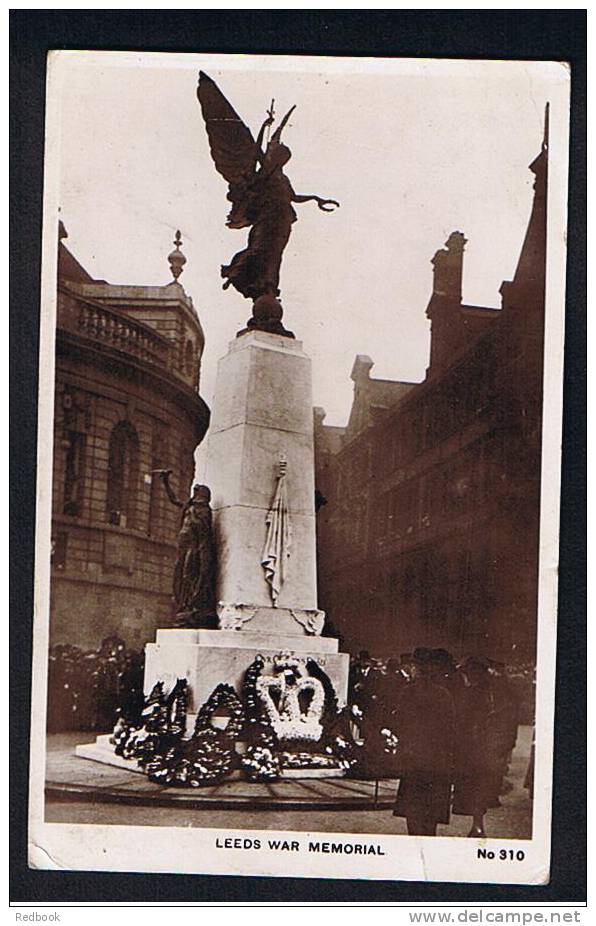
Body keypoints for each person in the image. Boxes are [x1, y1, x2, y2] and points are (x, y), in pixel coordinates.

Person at [393, 648, 455, 836]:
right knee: (431, 818)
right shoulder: (444, 694)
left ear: (417, 668)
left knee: (414, 814)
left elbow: (399, 724)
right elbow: (450, 729)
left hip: (414, 759)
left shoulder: (408, 692)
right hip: (437, 761)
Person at [158, 471, 217, 629]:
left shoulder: (204, 511)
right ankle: (184, 605)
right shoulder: (189, 507)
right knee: (180, 574)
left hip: (193, 547)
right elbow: (174, 500)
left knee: (188, 574)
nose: (194, 493)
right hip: (183, 545)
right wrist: (165, 482)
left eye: (197, 491)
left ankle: (190, 605)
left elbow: (204, 535)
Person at [451, 656, 500, 837]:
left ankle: (478, 825)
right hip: (480, 745)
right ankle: (477, 824)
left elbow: (468, 719)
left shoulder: (474, 692)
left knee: (475, 786)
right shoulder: (485, 691)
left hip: (472, 745)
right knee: (478, 786)